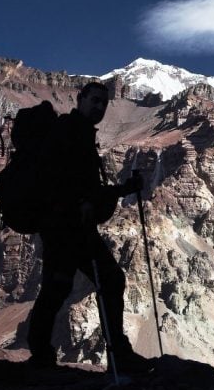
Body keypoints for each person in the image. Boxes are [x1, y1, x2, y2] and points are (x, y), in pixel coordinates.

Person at [26, 81, 147, 371]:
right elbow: (56, 179)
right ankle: (117, 354)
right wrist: (81, 202)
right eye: (94, 100)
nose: (99, 107)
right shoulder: (69, 132)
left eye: (103, 103)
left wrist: (121, 190)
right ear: (79, 99)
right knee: (97, 281)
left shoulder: (78, 134)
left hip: (68, 227)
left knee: (61, 287)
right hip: (66, 226)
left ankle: (42, 355)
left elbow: (88, 190)